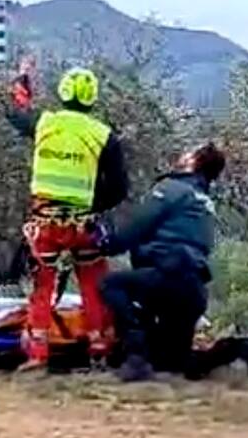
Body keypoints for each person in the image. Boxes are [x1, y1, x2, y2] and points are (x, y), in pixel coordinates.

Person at [7, 56, 129, 370]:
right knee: (92, 281)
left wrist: (23, 77)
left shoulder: (45, 123)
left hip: (45, 223)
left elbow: (16, 112)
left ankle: (37, 353)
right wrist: (92, 206)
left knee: (42, 284)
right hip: (83, 224)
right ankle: (99, 348)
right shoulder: (103, 135)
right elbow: (118, 188)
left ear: (62, 93)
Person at [92, 142, 227, 382]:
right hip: (194, 290)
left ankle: (136, 358)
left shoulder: (172, 189)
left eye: (189, 152)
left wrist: (106, 243)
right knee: (173, 364)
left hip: (168, 278)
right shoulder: (204, 201)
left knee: (112, 285)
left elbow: (137, 227)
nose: (183, 154)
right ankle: (242, 349)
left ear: (193, 162)